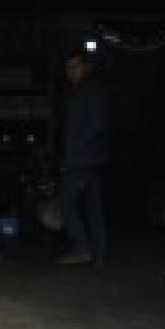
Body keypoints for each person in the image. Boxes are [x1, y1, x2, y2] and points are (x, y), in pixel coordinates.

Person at [57, 52, 108, 266]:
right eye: (68, 67)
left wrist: (75, 151)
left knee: (66, 202)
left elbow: (96, 125)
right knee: (92, 206)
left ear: (86, 67)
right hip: (91, 158)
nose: (70, 71)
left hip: (82, 159)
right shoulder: (80, 91)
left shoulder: (88, 91)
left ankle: (82, 249)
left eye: (75, 66)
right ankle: (99, 252)